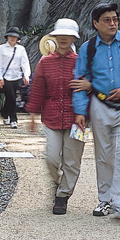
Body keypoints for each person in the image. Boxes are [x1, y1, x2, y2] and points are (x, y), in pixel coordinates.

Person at [72, 2, 120, 220]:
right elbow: (80, 81)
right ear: (96, 24)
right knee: (104, 154)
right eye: (107, 20)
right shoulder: (88, 49)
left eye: (115, 19)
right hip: (101, 105)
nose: (112, 23)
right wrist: (80, 111)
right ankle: (105, 199)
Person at [26, 18, 83, 215]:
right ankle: (58, 183)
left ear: (73, 38)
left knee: (72, 160)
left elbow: (86, 91)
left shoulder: (81, 63)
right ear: (55, 37)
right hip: (51, 116)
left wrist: (83, 113)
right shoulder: (45, 62)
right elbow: (38, 89)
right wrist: (33, 113)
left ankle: (62, 196)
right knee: (51, 157)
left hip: (77, 119)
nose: (64, 38)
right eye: (61, 35)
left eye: (68, 35)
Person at [0, 27, 31, 128]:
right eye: (11, 36)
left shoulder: (21, 49)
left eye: (15, 36)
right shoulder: (1, 48)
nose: (12, 38)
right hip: (5, 77)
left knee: (10, 97)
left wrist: (26, 75)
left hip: (17, 77)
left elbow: (25, 63)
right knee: (12, 98)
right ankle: (13, 119)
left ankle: (4, 113)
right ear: (7, 37)